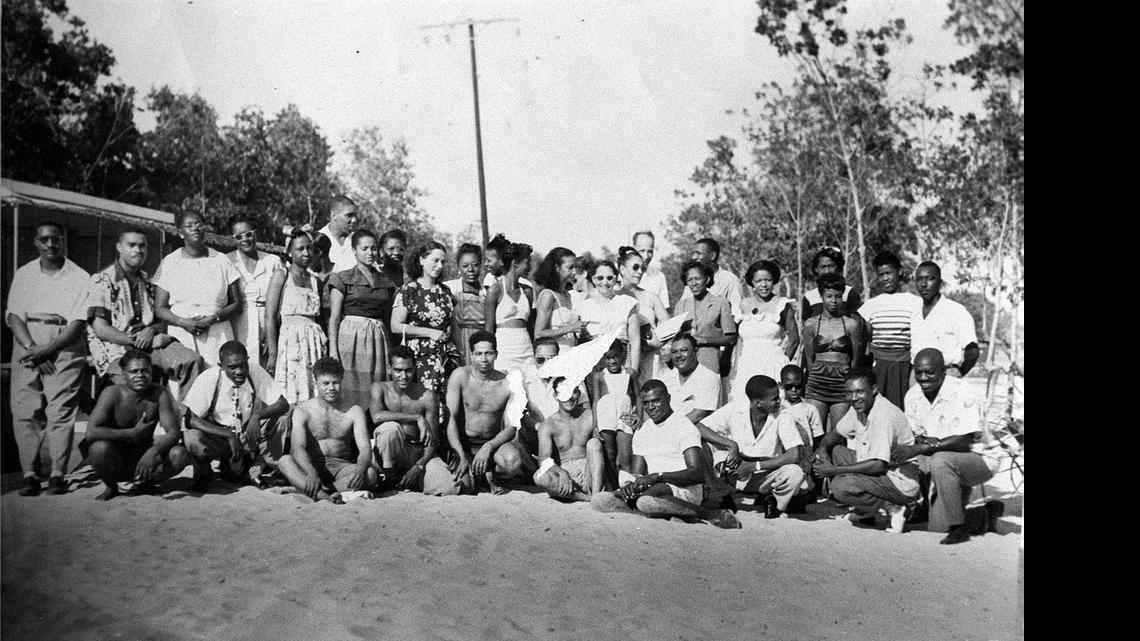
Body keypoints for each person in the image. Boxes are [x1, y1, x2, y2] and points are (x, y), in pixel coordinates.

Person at [6, 222, 90, 495]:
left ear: (63, 241)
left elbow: (78, 322)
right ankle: (29, 473)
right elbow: (13, 315)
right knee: (24, 409)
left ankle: (57, 473)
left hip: (64, 341)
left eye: (56, 239)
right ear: (36, 242)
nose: (50, 245)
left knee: (60, 411)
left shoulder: (79, 276)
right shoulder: (25, 273)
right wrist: (33, 347)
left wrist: (48, 349)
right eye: (45, 240)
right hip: (27, 338)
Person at [589, 380, 741, 529]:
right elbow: (638, 473)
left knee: (646, 500)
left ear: (668, 399)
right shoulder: (643, 431)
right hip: (653, 489)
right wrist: (631, 485)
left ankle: (709, 514)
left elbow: (697, 473)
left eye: (656, 401)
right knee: (600, 500)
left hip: (685, 489)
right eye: (646, 403)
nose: (651, 407)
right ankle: (668, 512)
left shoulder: (684, 426)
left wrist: (658, 476)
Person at [892, 349, 1003, 544]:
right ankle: (932, 507)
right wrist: (921, 445)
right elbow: (918, 437)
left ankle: (963, 526)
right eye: (919, 372)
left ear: (943, 371)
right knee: (936, 528)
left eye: (930, 372)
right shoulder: (912, 396)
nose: (923, 378)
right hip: (942, 459)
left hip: (979, 459)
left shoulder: (961, 390)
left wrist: (922, 447)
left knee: (938, 458)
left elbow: (966, 440)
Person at [84, 227, 204, 399]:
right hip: (116, 350)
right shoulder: (102, 280)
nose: (138, 250)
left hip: (149, 346)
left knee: (191, 361)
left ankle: (188, 417)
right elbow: (101, 329)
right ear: (119, 247)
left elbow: (158, 318)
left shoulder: (146, 280)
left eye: (142, 246)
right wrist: (138, 341)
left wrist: (151, 331)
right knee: (132, 383)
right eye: (131, 245)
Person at [813, 369, 921, 534]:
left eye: (859, 392)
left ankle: (894, 508)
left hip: (899, 481)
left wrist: (832, 470)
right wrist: (822, 449)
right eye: (849, 393)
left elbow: (877, 465)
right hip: (881, 472)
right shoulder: (860, 407)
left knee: (841, 487)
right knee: (835, 450)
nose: (854, 398)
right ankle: (866, 511)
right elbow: (835, 433)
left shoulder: (884, 415)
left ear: (874, 390)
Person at [182, 341, 292, 492]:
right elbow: (190, 419)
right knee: (193, 438)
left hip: (245, 433)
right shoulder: (209, 378)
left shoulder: (255, 372)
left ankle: (255, 469)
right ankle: (204, 469)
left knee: (282, 420)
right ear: (221, 366)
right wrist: (227, 434)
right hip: (218, 436)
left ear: (247, 360)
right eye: (232, 367)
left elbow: (282, 404)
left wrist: (257, 416)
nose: (239, 371)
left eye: (243, 365)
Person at [80, 350, 192, 500]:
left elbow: (173, 431)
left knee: (180, 454)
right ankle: (112, 487)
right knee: (98, 449)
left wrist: (154, 451)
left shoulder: (159, 393)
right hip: (115, 459)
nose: (140, 375)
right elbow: (91, 432)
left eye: (145, 371)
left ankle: (146, 483)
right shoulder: (111, 393)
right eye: (134, 371)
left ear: (151, 372)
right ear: (123, 374)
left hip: (145, 459)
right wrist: (130, 433)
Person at [697, 375, 809, 519]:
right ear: (758, 403)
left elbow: (795, 454)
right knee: (700, 444)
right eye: (774, 398)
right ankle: (721, 493)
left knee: (795, 473)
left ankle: (772, 499)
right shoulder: (735, 408)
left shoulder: (783, 413)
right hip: (734, 469)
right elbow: (699, 427)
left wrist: (753, 466)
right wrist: (731, 445)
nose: (779, 401)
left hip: (765, 472)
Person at [278, 357, 378, 502]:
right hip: (311, 464)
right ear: (315, 383)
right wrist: (311, 472)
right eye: (325, 383)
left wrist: (360, 468)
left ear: (342, 381)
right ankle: (325, 495)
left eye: (335, 383)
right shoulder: (303, 410)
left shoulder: (354, 411)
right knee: (284, 461)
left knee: (370, 474)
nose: (331, 388)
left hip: (341, 467)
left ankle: (314, 491)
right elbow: (297, 447)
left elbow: (365, 448)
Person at [444, 331, 533, 495]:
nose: (484, 359)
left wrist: (489, 446)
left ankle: (491, 473)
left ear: (496, 354)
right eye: (478, 354)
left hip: (493, 445)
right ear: (471, 355)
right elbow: (451, 420)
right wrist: (459, 454)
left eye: (489, 353)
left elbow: (512, 426)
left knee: (512, 462)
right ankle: (479, 475)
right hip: (464, 444)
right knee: (464, 487)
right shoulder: (460, 376)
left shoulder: (507, 382)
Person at [153, 211, 243, 366]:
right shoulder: (169, 262)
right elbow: (160, 308)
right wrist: (183, 322)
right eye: (188, 226)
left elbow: (236, 304)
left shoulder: (222, 260)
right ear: (181, 233)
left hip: (217, 332)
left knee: (218, 379)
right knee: (186, 380)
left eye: (198, 224)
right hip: (182, 332)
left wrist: (213, 318)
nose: (195, 228)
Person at [369, 346, 459, 495]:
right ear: (389, 368)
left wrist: (418, 467)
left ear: (415, 368)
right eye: (398, 370)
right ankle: (389, 476)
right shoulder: (380, 388)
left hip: (417, 454)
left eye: (408, 370)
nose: (403, 376)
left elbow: (433, 441)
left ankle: (409, 480)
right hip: (389, 455)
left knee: (449, 489)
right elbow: (376, 416)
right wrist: (416, 417)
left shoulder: (427, 397)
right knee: (390, 429)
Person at [326, 229, 398, 408]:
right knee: (351, 386)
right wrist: (333, 351)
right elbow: (334, 318)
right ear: (354, 250)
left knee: (377, 387)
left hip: (378, 340)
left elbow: (388, 319)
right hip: (351, 339)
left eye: (373, 249)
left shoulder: (386, 282)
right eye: (364, 248)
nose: (370, 253)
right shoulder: (342, 278)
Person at [264, 228, 327, 404]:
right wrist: (272, 353)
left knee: (313, 391)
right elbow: (270, 316)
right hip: (290, 341)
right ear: (289, 252)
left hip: (313, 343)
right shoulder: (282, 275)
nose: (306, 253)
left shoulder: (315, 280)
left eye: (309, 248)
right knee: (292, 392)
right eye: (300, 249)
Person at [390, 242, 461, 398]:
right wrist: (430, 333)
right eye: (435, 260)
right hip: (420, 358)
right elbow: (395, 326)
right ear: (422, 260)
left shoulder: (445, 292)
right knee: (425, 403)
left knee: (449, 403)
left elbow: (454, 328)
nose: (440, 265)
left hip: (446, 357)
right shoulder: (409, 290)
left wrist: (460, 356)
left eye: (442, 262)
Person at [801, 273, 865, 431]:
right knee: (814, 432)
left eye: (838, 296)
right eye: (829, 296)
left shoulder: (851, 325)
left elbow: (855, 359)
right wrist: (814, 376)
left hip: (841, 383)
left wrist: (848, 381)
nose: (833, 301)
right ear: (821, 296)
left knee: (839, 433)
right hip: (817, 383)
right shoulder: (811, 324)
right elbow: (809, 358)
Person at [858, 250, 921, 409]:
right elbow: (862, 335)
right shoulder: (871, 305)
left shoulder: (915, 302)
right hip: (878, 365)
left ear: (899, 272)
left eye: (889, 273)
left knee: (901, 408)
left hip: (904, 364)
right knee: (877, 408)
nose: (885, 278)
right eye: (881, 275)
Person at [729, 260, 799, 402]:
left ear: (774, 281)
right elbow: (740, 339)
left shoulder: (782, 305)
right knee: (743, 406)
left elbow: (794, 339)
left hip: (773, 364)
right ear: (752, 283)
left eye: (768, 280)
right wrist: (736, 365)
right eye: (759, 281)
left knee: (773, 407)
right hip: (747, 364)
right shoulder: (743, 304)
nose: (764, 285)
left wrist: (782, 361)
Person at [533, 378, 605, 501]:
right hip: (565, 475)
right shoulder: (548, 425)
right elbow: (544, 460)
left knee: (594, 443)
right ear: (555, 396)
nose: (569, 397)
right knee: (539, 476)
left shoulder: (590, 416)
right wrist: (562, 472)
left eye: (573, 391)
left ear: (579, 393)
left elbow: (602, 443)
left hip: (590, 472)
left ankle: (596, 495)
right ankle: (587, 499)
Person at [227, 219, 284, 367]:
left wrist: (271, 330)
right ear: (233, 239)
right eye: (239, 236)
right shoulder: (227, 261)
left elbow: (281, 299)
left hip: (269, 319)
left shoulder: (272, 261)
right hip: (240, 322)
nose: (245, 239)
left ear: (255, 234)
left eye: (248, 234)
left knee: (267, 368)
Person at [911, 261, 980, 378]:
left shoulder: (955, 310)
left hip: (945, 375)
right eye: (919, 279)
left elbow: (972, 350)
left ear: (940, 283)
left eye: (930, 279)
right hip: (917, 376)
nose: (923, 284)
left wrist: (958, 372)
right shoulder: (914, 313)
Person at [574, 260, 641, 374]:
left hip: (621, 361)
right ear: (594, 279)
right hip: (593, 364)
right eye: (600, 278)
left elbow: (635, 341)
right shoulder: (584, 307)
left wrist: (632, 370)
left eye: (609, 278)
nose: (605, 282)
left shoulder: (626, 303)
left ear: (615, 279)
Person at [588, 340, 641, 483]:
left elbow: (638, 396)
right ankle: (613, 487)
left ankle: (628, 486)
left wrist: (639, 416)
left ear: (622, 355)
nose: (612, 361)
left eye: (615, 356)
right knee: (609, 454)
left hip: (624, 418)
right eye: (608, 357)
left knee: (626, 456)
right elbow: (596, 402)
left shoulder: (630, 373)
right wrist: (595, 426)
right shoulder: (599, 376)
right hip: (606, 417)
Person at [673, 260, 736, 376]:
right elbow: (674, 336)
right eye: (690, 280)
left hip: (710, 361)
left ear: (707, 279)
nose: (694, 283)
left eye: (697, 278)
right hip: (684, 364)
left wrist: (704, 340)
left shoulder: (721, 303)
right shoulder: (681, 305)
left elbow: (731, 337)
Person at [616, 246, 670, 383]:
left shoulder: (651, 297)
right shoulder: (614, 296)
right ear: (622, 269)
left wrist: (650, 343)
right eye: (635, 267)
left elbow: (669, 329)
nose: (639, 272)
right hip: (621, 360)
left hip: (650, 361)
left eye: (642, 268)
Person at [483, 239, 536, 372]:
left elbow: (530, 327)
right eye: (527, 262)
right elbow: (489, 330)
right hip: (504, 352)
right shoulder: (494, 291)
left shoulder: (528, 291)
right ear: (515, 263)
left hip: (527, 351)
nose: (529, 267)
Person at [442, 243, 486, 366]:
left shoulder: (487, 293)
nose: (471, 270)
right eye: (465, 266)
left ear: (481, 266)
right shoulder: (449, 289)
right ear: (459, 268)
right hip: (456, 344)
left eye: (475, 265)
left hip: (480, 346)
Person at [533, 247, 582, 350]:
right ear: (557, 268)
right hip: (554, 354)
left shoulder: (569, 295)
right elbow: (539, 333)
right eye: (570, 267)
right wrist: (570, 328)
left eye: (575, 267)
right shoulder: (548, 295)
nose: (574, 272)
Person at [678, 237, 744, 310]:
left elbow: (737, 313)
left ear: (712, 255)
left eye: (698, 253)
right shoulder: (692, 281)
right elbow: (681, 310)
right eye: (693, 254)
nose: (694, 257)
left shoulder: (730, 280)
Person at [800, 247, 862, 320]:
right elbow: (807, 326)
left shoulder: (849, 293)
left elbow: (857, 325)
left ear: (838, 267)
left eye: (831, 266)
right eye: (823, 267)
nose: (827, 271)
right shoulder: (809, 297)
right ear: (816, 269)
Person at [779, 364, 825, 446]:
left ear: (804, 384)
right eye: (789, 386)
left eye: (798, 386)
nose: (794, 390)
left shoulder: (810, 409)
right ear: (781, 385)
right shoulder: (778, 408)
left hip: (805, 453)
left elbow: (818, 437)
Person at [317, 195, 360, 273]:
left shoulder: (359, 240)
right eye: (349, 216)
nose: (354, 220)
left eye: (355, 215)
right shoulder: (317, 239)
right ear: (333, 216)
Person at [632, 231, 671, 310]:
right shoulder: (618, 273)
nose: (646, 256)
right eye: (642, 251)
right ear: (633, 249)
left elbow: (664, 311)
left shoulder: (659, 277)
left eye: (650, 252)